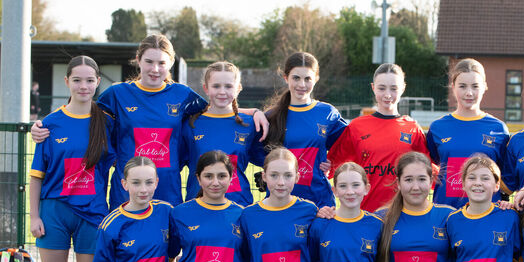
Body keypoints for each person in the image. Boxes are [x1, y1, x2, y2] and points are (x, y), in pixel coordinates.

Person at [30, 34, 269, 207]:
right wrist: (42, 126)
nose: (155, 69)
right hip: (127, 189)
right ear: (137, 60)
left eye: (162, 63)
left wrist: (252, 111)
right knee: (124, 257)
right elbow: (83, 115)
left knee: (166, 258)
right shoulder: (117, 93)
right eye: (149, 62)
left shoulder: (182, 95)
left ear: (170, 64)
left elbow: (218, 106)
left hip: (168, 189)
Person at [28, 56, 113, 262]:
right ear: (67, 82)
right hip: (54, 214)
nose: (84, 86)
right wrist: (35, 216)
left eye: (90, 81)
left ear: (96, 83)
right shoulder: (50, 123)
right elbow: (36, 176)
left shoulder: (105, 121)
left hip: (93, 216)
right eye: (77, 80)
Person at [328, 63, 432, 212]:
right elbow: (331, 166)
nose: (387, 95)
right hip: (365, 213)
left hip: (403, 213)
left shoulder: (412, 128)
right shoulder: (357, 127)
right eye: (382, 88)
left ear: (403, 88)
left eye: (394, 88)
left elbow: (429, 171)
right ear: (373, 87)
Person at [258, 52, 349, 208]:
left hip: (320, 203)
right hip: (279, 202)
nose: (302, 85)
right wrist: (252, 112)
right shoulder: (270, 117)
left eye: (308, 79)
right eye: (296, 78)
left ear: (316, 79)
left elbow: (350, 142)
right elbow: (252, 150)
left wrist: (333, 163)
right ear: (286, 78)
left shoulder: (327, 113)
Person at [426, 59, 509, 208]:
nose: (469, 93)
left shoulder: (498, 128)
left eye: (475, 86)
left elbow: (505, 174)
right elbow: (433, 164)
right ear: (453, 87)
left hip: (487, 212)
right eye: (462, 86)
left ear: (484, 87)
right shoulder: (438, 127)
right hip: (446, 211)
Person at [185, 62, 261, 207]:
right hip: (198, 204)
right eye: (216, 86)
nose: (222, 92)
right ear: (206, 89)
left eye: (228, 86)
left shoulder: (250, 124)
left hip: (238, 204)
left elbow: (269, 161)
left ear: (238, 89)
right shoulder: (191, 124)